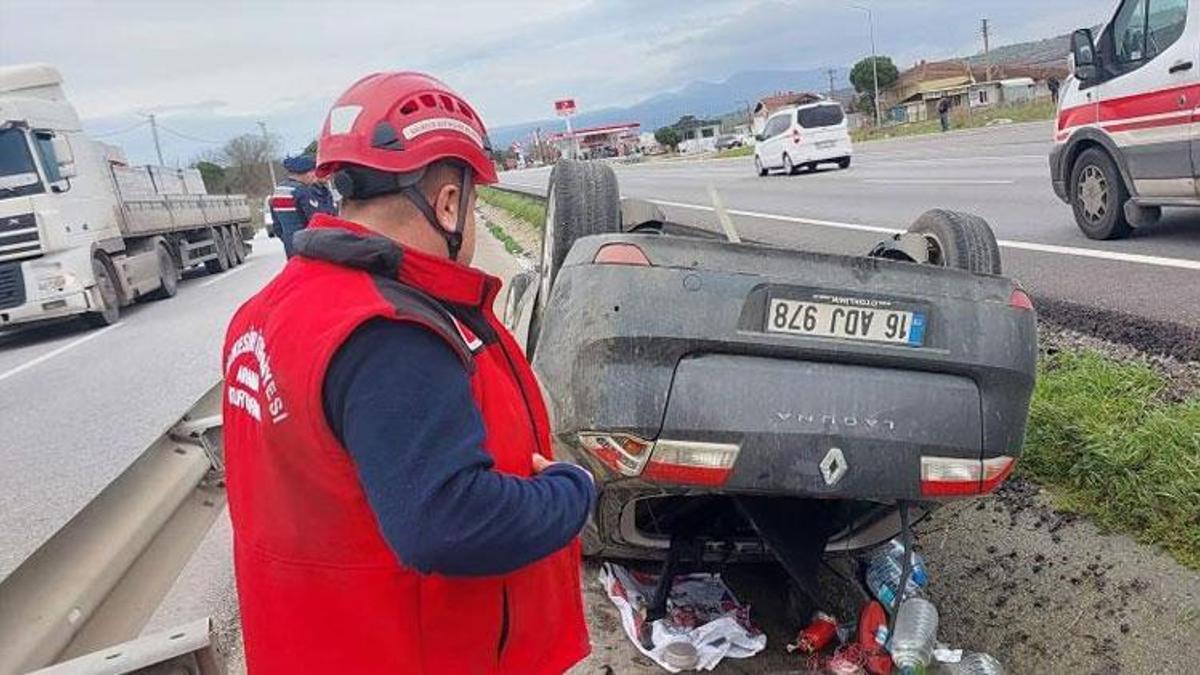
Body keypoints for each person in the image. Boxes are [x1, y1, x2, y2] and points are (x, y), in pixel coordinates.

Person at [221, 72, 595, 674]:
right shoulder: (388, 332)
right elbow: (450, 523)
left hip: (318, 645)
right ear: (449, 202)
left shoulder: (269, 311)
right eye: (471, 203)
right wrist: (570, 492)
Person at [269, 154, 335, 257]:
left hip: (291, 248)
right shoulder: (302, 191)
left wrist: (288, 239)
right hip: (309, 248)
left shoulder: (278, 192)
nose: (315, 175)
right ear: (306, 173)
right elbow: (317, 221)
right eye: (313, 172)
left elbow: (277, 227)